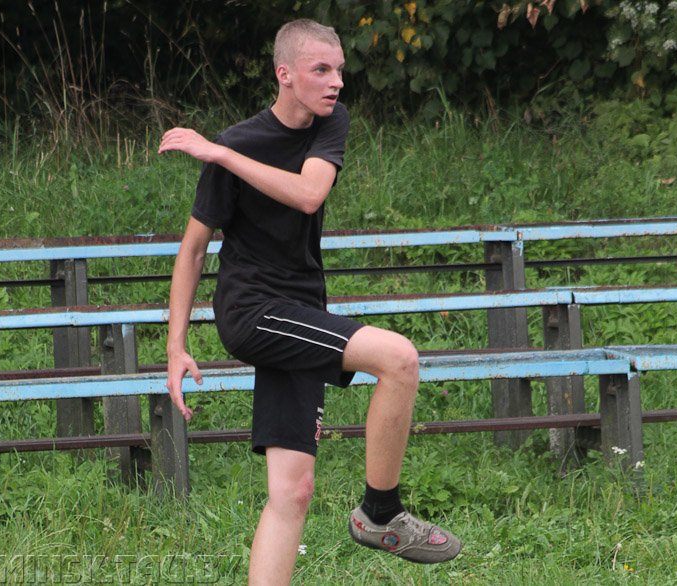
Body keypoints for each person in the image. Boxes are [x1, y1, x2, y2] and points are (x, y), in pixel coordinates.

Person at [158, 18, 461, 584]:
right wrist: (176, 346)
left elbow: (308, 193)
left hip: (300, 313)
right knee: (399, 359)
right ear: (285, 74)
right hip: (252, 312)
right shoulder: (238, 143)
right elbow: (193, 250)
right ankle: (381, 512)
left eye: (339, 70)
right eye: (321, 70)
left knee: (292, 490)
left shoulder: (327, 122)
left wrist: (220, 155)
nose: (336, 82)